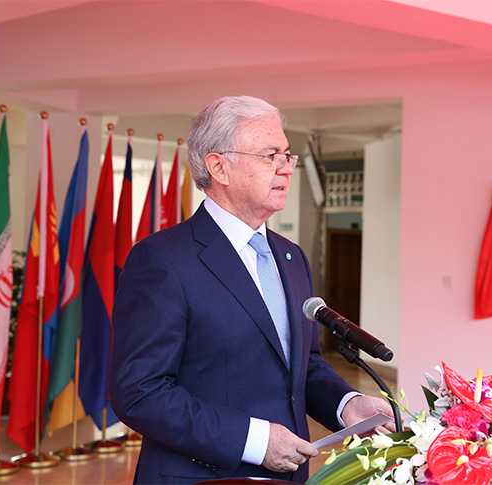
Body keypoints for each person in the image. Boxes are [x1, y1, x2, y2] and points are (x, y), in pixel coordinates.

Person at [110, 95, 395, 484]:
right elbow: (140, 392)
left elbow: (303, 365)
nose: (286, 168)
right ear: (219, 167)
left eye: (287, 156)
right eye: (270, 156)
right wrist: (255, 441)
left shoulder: (291, 257)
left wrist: (347, 405)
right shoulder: (163, 259)